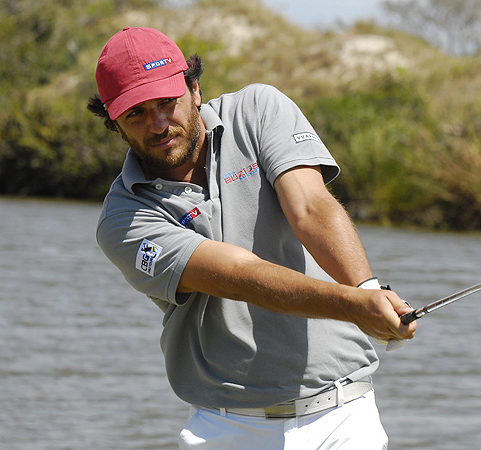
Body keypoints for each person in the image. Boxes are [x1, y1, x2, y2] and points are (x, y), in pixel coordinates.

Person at [88, 26, 416, 450]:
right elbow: (239, 275)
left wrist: (369, 291)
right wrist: (357, 307)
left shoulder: (259, 109)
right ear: (115, 125)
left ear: (194, 89)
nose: (159, 123)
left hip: (344, 415)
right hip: (229, 430)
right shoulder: (123, 221)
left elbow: (310, 207)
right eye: (136, 113)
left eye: (168, 102)